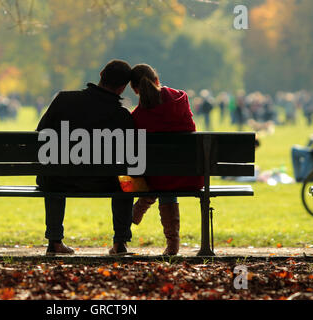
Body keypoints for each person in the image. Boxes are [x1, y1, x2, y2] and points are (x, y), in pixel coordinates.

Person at [36, 59, 135, 256]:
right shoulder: (121, 116)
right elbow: (131, 158)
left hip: (60, 179)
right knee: (128, 179)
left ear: (100, 75)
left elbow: (40, 134)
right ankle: (120, 242)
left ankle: (55, 241)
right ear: (123, 88)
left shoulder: (63, 100)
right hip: (105, 182)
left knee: (53, 173)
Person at [129, 63, 204, 256]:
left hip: (157, 179)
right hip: (191, 176)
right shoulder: (181, 99)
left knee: (158, 175)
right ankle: (172, 245)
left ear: (136, 90)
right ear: (157, 80)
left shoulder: (138, 116)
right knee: (166, 174)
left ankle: (142, 204)